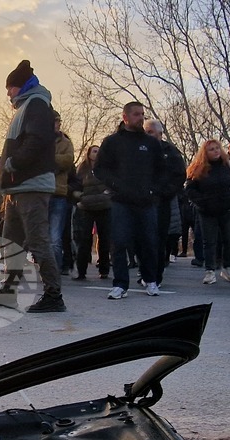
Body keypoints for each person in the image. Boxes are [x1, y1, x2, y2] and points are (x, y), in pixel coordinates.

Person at [0, 60, 66, 313]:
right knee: (12, 244)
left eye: (10, 87)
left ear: (22, 86)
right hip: (18, 188)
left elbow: (37, 140)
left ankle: (54, 296)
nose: (8, 93)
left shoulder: (37, 103)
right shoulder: (27, 106)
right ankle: (8, 293)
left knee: (38, 242)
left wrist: (13, 163)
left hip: (32, 186)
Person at [93, 101, 167, 300]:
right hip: (121, 201)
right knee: (119, 242)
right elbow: (99, 169)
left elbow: (162, 171)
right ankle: (120, 284)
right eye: (136, 114)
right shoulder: (112, 142)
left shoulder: (151, 143)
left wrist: (154, 190)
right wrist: (115, 185)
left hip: (146, 202)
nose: (140, 118)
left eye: (142, 114)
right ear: (125, 117)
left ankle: (150, 280)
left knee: (148, 242)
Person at [185, 140, 230, 285]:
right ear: (205, 153)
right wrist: (202, 202)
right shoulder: (198, 168)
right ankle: (209, 271)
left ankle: (227, 267)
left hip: (227, 208)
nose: (216, 151)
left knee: (229, 239)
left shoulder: (228, 165)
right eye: (211, 149)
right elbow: (190, 189)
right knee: (209, 241)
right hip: (207, 210)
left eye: (217, 148)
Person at [143, 119, 185, 288]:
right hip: (141, 202)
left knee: (159, 240)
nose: (148, 136)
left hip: (162, 202)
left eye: (151, 132)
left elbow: (179, 175)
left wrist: (166, 192)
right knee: (143, 239)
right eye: (146, 132)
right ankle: (145, 272)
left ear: (160, 134)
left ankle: (156, 276)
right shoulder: (139, 150)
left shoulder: (171, 152)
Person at [71, 144, 110, 280]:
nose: (96, 153)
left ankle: (104, 270)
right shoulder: (82, 169)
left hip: (104, 207)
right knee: (84, 240)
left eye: (98, 151)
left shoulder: (106, 168)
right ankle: (81, 271)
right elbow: (76, 186)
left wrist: (105, 196)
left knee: (104, 239)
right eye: (94, 151)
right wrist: (79, 197)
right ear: (88, 154)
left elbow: (110, 185)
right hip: (86, 208)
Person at [50, 111, 75, 274]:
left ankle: (56, 269)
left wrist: (48, 159)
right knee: (41, 236)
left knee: (55, 237)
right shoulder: (38, 140)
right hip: (40, 193)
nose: (58, 124)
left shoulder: (65, 142)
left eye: (59, 121)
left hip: (58, 193)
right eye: (55, 121)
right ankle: (46, 268)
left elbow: (67, 161)